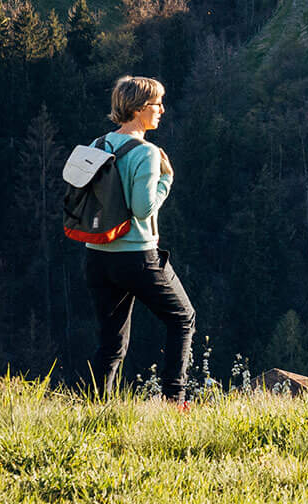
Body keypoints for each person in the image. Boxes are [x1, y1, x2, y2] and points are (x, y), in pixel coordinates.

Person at [84, 74, 196, 403]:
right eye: (156, 104)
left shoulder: (96, 146)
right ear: (137, 109)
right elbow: (143, 209)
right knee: (182, 318)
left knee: (111, 342)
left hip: (97, 255)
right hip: (137, 256)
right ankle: (174, 400)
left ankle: (96, 411)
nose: (162, 109)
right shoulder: (146, 152)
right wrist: (167, 179)